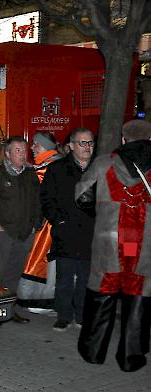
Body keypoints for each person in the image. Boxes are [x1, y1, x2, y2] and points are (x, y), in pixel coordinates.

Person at [76, 119, 151, 372]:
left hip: (110, 240)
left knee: (102, 294)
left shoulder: (104, 162)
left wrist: (102, 209)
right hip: (143, 243)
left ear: (123, 140)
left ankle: (93, 351)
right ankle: (131, 358)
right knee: (138, 296)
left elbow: (82, 197)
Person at [0, 136, 43, 323]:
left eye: (24, 150)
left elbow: (39, 203)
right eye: (18, 151)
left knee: (14, 274)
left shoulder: (30, 175)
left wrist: (35, 225)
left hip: (24, 233)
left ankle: (8, 309)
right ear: (7, 154)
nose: (23, 155)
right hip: (2, 234)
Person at [41, 128, 95, 331]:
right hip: (66, 232)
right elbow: (46, 198)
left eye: (90, 143)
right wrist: (58, 220)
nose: (87, 147)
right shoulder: (57, 169)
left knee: (85, 278)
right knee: (64, 278)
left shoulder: (99, 169)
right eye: (83, 143)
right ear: (71, 146)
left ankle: (81, 316)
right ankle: (63, 315)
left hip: (91, 233)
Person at [19, 131, 63, 309]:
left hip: (47, 225)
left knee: (39, 259)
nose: (32, 148)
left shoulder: (49, 166)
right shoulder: (50, 164)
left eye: (35, 144)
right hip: (48, 222)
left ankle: (39, 299)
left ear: (43, 146)